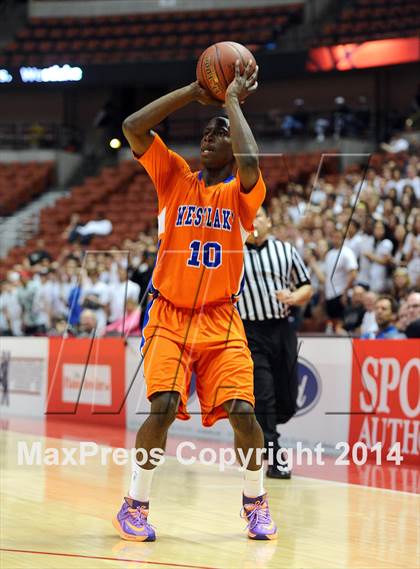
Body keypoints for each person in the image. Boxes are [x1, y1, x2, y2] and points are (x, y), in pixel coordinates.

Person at [116, 61, 278, 542]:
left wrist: (230, 102)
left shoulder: (241, 194)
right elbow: (131, 127)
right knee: (162, 405)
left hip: (221, 318)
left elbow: (251, 165)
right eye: (206, 132)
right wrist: (193, 90)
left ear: (233, 144)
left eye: (220, 133)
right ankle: (134, 505)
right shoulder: (174, 178)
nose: (209, 137)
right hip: (168, 315)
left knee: (244, 413)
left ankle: (256, 502)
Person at [237, 206, 312, 479]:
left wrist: (294, 297)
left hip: (281, 330)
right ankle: (275, 456)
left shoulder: (286, 251)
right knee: (264, 395)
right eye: (248, 217)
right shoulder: (233, 252)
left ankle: (263, 428)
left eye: (258, 216)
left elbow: (306, 285)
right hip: (249, 331)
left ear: (269, 221)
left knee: (287, 400)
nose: (254, 221)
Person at [323, 227, 358, 329]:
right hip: (329, 295)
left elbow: (353, 273)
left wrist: (345, 292)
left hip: (340, 294)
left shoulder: (347, 253)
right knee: (332, 323)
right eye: (333, 237)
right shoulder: (329, 254)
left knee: (341, 324)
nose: (335, 240)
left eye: (338, 237)